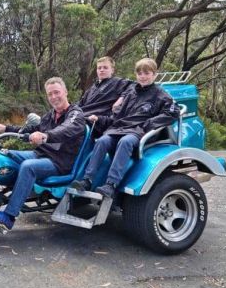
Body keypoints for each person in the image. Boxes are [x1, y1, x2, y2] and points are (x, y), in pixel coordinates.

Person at [0, 77, 86, 231]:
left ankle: (8, 217)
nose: (53, 97)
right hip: (40, 155)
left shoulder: (75, 114)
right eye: (50, 94)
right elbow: (29, 130)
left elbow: (65, 129)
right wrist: (6, 128)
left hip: (60, 162)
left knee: (28, 167)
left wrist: (46, 136)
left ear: (65, 92)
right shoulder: (49, 116)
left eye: (56, 92)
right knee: (3, 155)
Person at [70, 58, 180, 199]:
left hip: (137, 132)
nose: (143, 76)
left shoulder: (161, 95)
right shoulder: (131, 94)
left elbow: (173, 112)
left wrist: (148, 124)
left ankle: (111, 184)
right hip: (119, 129)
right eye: (140, 73)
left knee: (125, 142)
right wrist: (100, 119)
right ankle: (87, 180)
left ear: (154, 74)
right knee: (102, 141)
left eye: (146, 73)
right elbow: (116, 117)